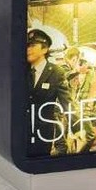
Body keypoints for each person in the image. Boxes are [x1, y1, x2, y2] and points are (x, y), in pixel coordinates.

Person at [27, 28, 71, 156]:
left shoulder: (56, 73)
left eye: (32, 46)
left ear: (44, 49)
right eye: (27, 46)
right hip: (21, 132)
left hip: (43, 134)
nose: (28, 49)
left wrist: (77, 126)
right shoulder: (22, 71)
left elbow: (67, 103)